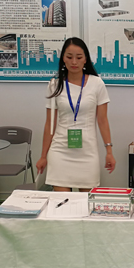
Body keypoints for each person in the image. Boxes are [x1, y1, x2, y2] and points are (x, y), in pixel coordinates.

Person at [36, 37, 116, 191]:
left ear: (85, 59)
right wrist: (43, 156)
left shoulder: (97, 84)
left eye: (79, 57)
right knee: (62, 202)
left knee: (85, 203)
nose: (74, 62)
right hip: (60, 151)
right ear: (63, 59)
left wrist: (109, 151)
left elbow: (102, 121)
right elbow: (50, 124)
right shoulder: (54, 84)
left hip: (87, 151)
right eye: (69, 57)